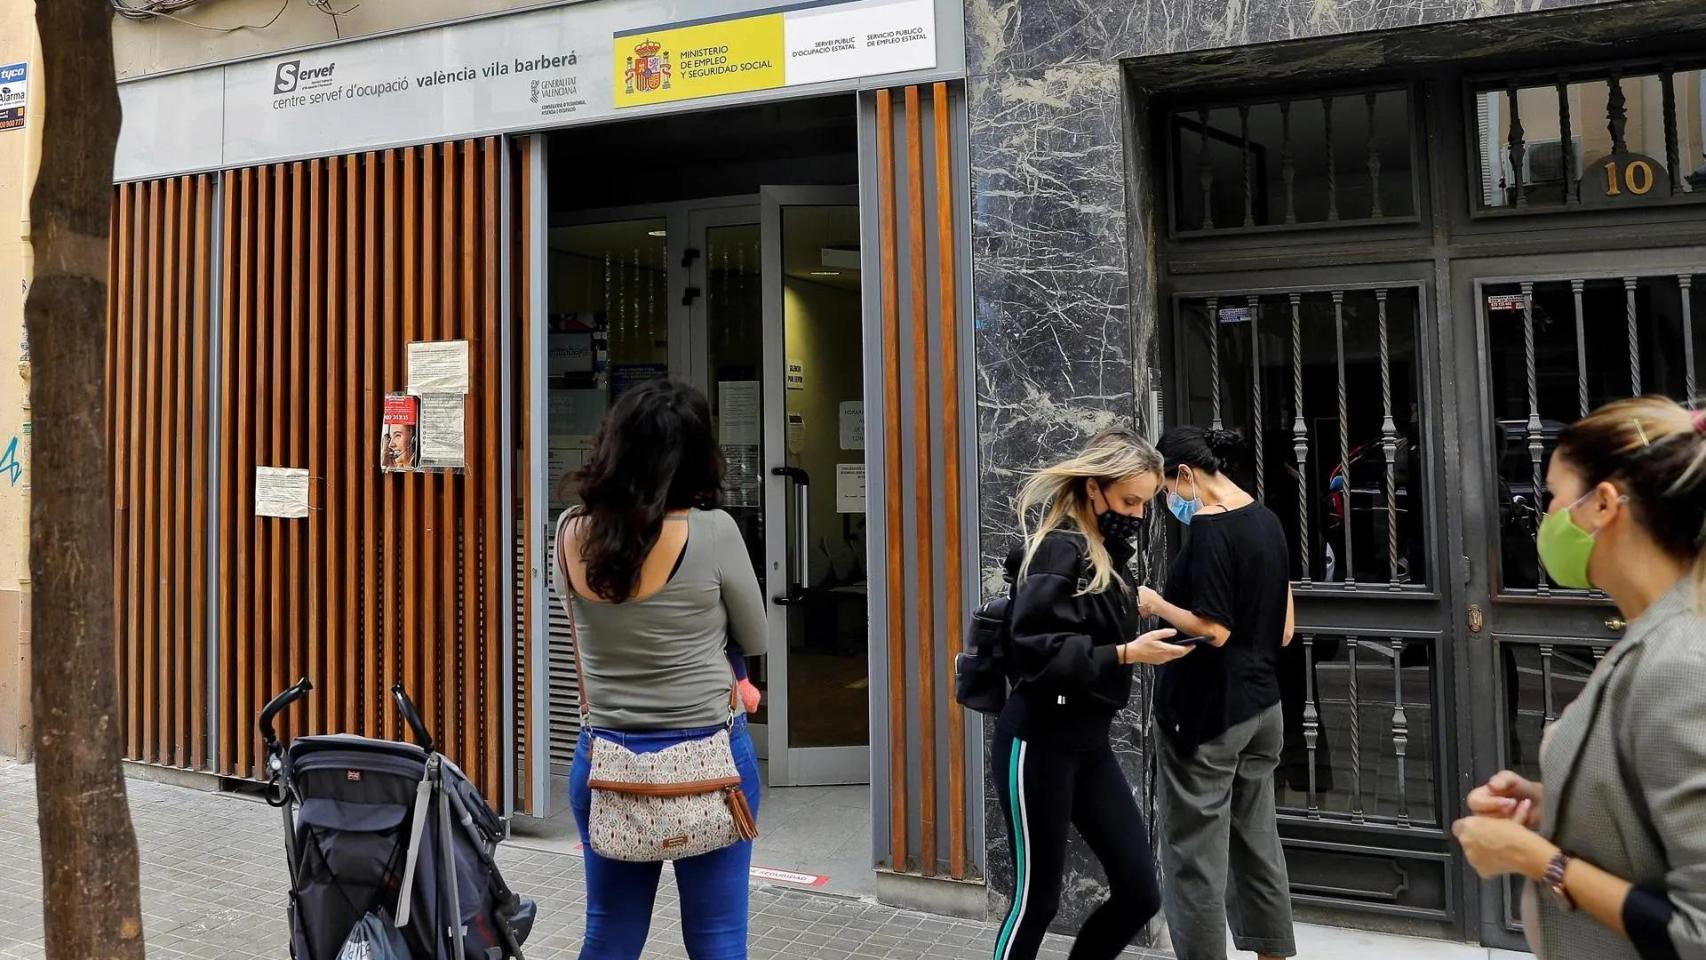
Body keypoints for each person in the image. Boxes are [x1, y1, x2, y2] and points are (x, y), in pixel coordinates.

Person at [1453, 396, 1706, 960]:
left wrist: (1537, 859)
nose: (1546, 516)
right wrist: (1556, 804)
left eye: (1552, 496)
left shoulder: (1680, 665)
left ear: (1604, 505)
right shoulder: (1649, 637)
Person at [552, 378, 767, 960]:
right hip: (708, 759)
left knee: (610, 933)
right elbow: (757, 636)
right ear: (697, 454)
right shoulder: (714, 531)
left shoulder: (571, 531)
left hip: (606, 757)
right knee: (718, 939)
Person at [993, 427, 1193, 960]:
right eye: (1130, 501)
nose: (1138, 515)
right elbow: (1035, 652)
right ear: (1092, 488)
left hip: (1089, 742)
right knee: (1036, 901)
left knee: (1139, 892)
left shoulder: (1105, 551)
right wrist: (1126, 654)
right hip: (1037, 741)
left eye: (1146, 503)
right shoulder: (1058, 549)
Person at [1139, 426, 1296, 960]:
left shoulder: (1208, 528)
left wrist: (1155, 604)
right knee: (1258, 847)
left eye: (1164, 489)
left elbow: (1214, 629)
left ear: (1185, 475)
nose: (1167, 502)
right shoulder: (1267, 521)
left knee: (1194, 860)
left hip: (1207, 716)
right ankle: (1273, 952)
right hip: (1263, 707)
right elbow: (1285, 628)